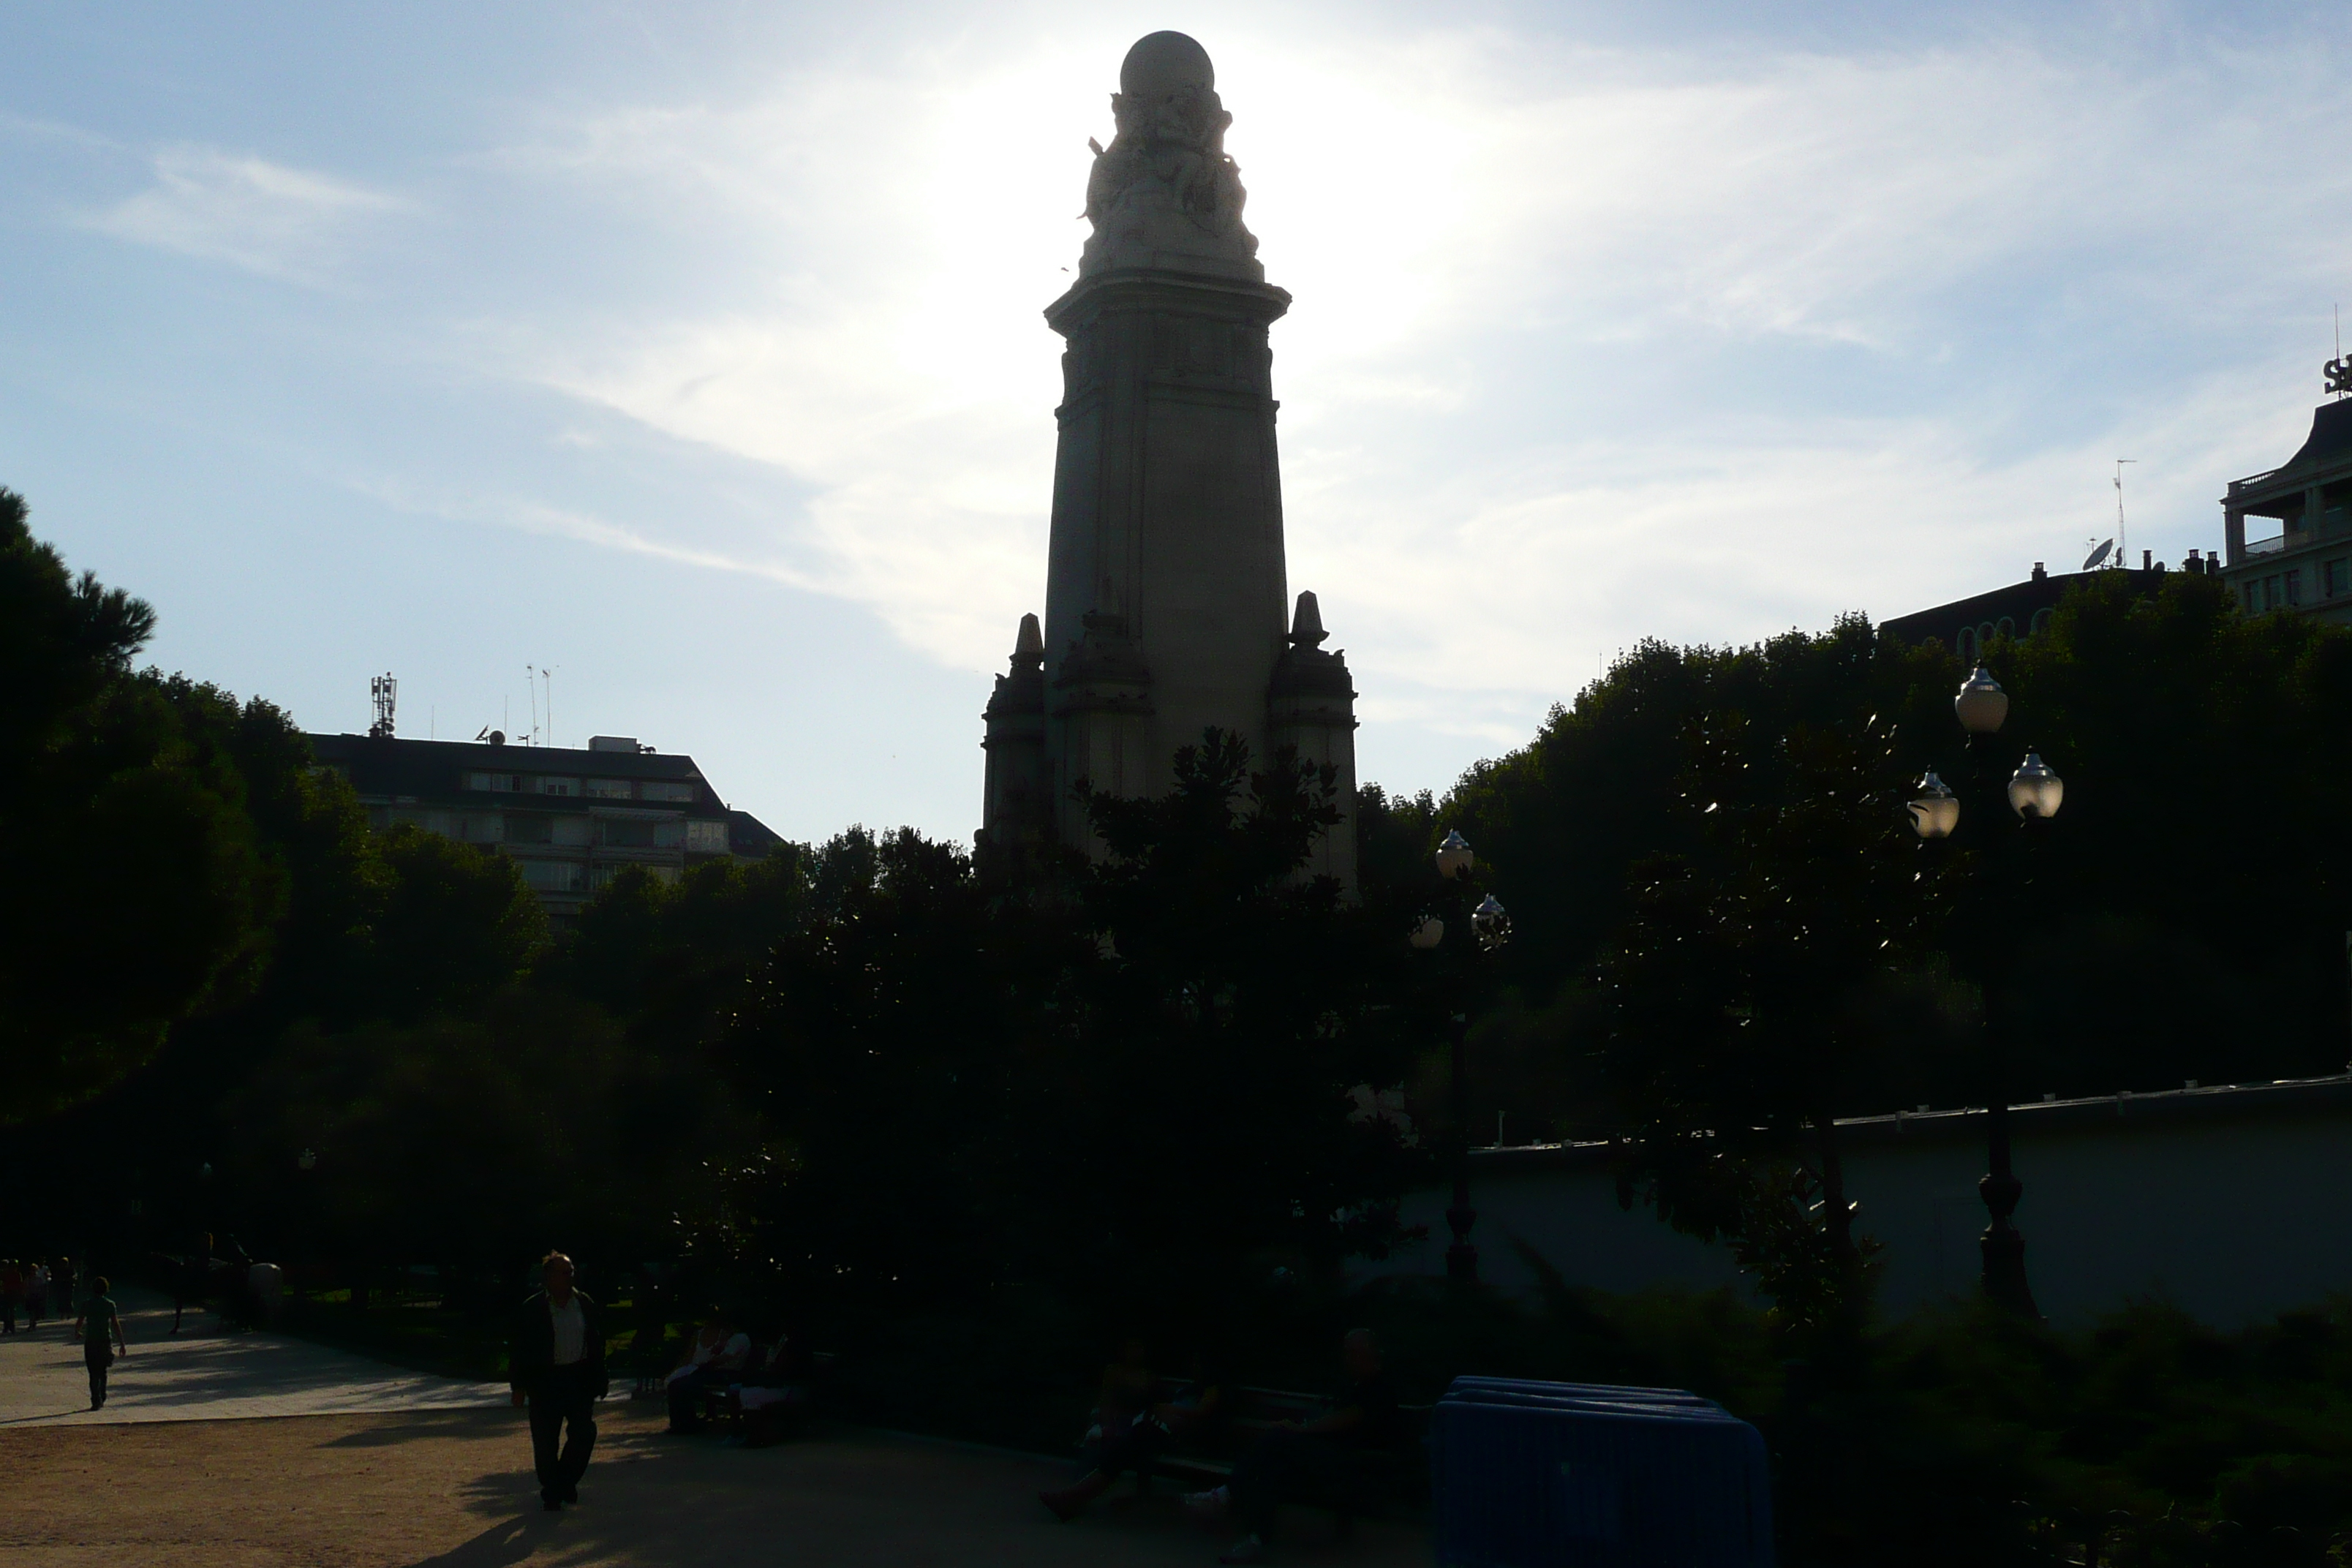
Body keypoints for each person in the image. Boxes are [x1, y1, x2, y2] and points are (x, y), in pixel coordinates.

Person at [1186, 1330, 1403, 1564]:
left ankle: (1227, 1494)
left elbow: (1350, 1418)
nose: (1348, 1358)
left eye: (1353, 1352)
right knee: (1269, 1468)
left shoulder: (1381, 1387)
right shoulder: (1351, 1386)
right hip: (1321, 1457)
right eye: (1346, 1352)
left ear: (1373, 1352)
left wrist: (1300, 1429)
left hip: (1353, 1465)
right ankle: (1255, 1538)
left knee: (1278, 1441)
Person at [1042, 1341, 1226, 1521]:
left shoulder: (1214, 1389)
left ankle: (1074, 1497)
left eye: (1196, 1363)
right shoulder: (1190, 1389)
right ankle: (1075, 1496)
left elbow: (1201, 1413)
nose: (1192, 1367)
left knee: (1125, 1446)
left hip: (1174, 1438)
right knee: (1121, 1445)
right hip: (1154, 1432)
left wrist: (1169, 1409)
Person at [508, 1251, 608, 1512]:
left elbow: (597, 1342)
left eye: (570, 1272)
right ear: (548, 1277)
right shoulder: (533, 1308)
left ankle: (565, 1480)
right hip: (546, 1381)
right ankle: (552, 1489)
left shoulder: (584, 1303)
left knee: (584, 1433)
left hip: (578, 1379)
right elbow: (519, 1349)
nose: (568, 1277)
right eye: (562, 1273)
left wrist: (600, 1378)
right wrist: (518, 1387)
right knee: (545, 1442)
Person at [664, 1312, 750, 1433]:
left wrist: (706, 1364)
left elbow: (724, 1358)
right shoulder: (730, 1338)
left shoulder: (740, 1338)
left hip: (727, 1374)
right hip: (716, 1372)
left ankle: (686, 1424)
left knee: (681, 1386)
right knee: (677, 1384)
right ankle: (681, 1422)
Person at [74, 1275, 129, 1409]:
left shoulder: (86, 1304)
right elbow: (115, 1325)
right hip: (105, 1340)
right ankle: (102, 1395)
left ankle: (95, 1399)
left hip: (91, 1340)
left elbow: (80, 1321)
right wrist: (122, 1343)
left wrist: (77, 1332)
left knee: (93, 1372)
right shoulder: (110, 1304)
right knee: (102, 1370)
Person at [24, 1260, 47, 1331]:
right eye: (32, 1270)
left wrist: (43, 1295)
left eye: (35, 1270)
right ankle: (31, 1323)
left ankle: (34, 1322)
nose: (33, 1272)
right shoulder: (28, 1279)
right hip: (31, 1296)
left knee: (36, 1311)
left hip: (37, 1296)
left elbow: (42, 1287)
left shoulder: (39, 1279)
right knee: (31, 1311)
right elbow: (26, 1287)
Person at [1, 1259, 20, 1335]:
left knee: (12, 1311)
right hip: (6, 1293)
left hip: (12, 1294)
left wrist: (19, 1293)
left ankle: (11, 1326)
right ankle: (7, 1326)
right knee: (5, 1311)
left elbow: (19, 1284)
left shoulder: (17, 1274)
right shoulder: (5, 1273)